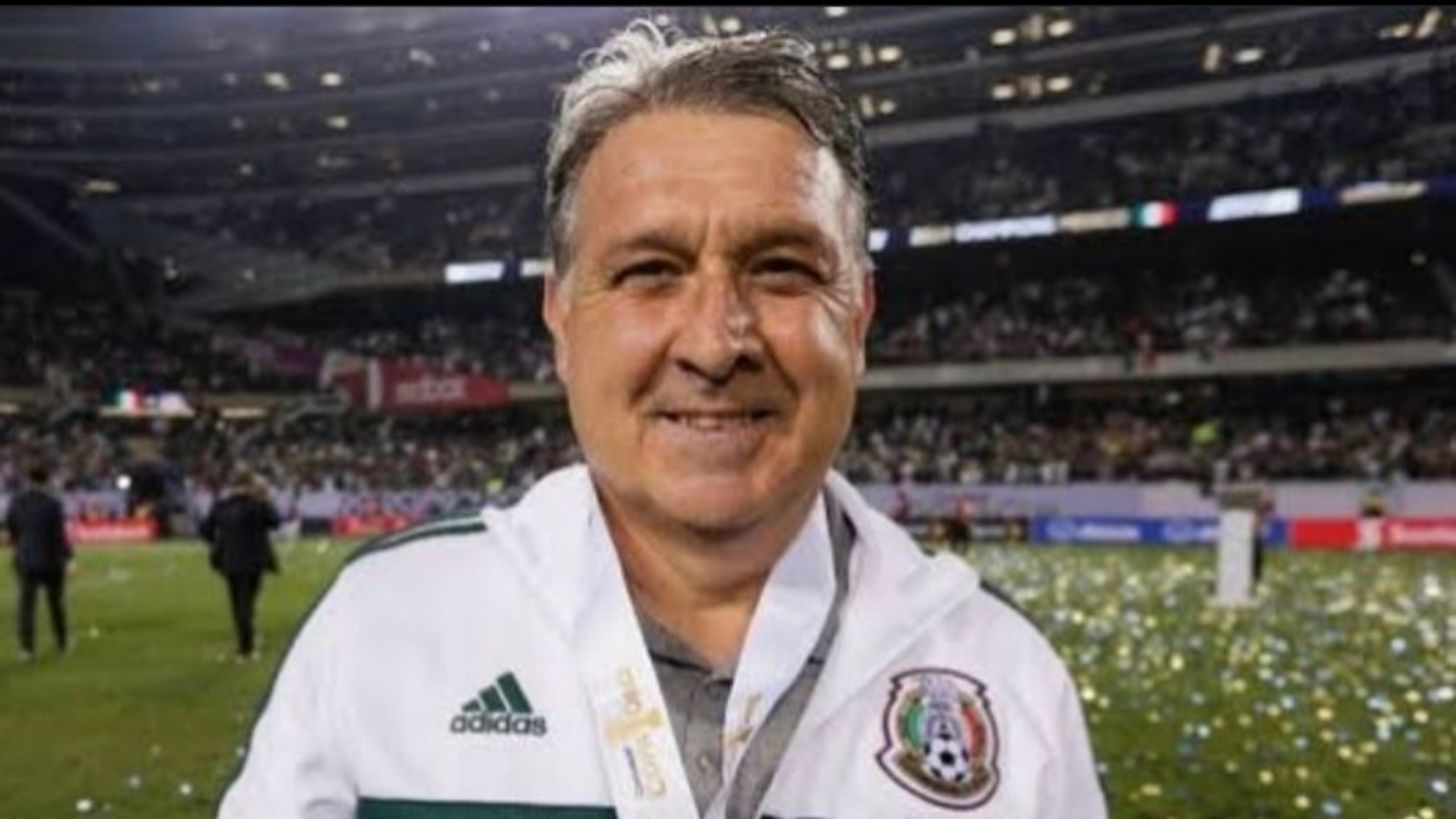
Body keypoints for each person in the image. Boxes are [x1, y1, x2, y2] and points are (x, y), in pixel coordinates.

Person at [220, 21, 1105, 819]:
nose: (716, 343)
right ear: (560, 319)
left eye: (783, 268)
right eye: (649, 271)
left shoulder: (1005, 675)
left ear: (860, 317)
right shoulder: (383, 626)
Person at [200, 471, 282, 662]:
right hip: (254, 560)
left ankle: (246, 642)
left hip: (229, 560)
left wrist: (221, 543)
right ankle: (247, 647)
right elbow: (275, 522)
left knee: (238, 602)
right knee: (247, 603)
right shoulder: (257, 504)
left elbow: (205, 530)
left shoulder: (222, 505)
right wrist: (265, 498)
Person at [4, 466, 72, 662]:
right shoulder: (53, 503)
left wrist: (20, 545)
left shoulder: (17, 501)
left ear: (29, 480)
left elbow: (10, 530)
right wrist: (68, 558)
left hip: (25, 559)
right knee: (55, 603)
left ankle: (27, 649)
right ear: (47, 481)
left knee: (26, 606)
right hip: (51, 560)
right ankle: (62, 643)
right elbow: (59, 536)